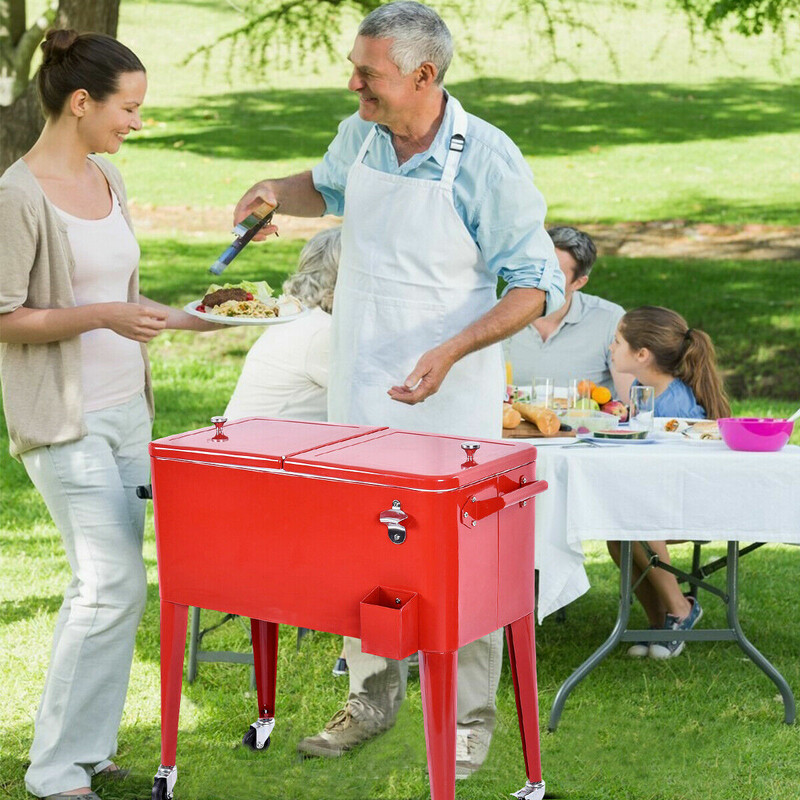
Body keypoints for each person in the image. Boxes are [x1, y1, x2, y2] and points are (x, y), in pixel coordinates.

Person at [232, 0, 565, 778]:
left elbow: (534, 286)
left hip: (451, 400)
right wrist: (275, 190)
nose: (354, 84)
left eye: (369, 74)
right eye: (356, 69)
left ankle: (470, 722)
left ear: (424, 74)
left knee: (463, 564)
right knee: (366, 556)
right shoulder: (364, 135)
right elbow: (326, 185)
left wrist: (452, 349)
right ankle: (372, 701)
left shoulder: (485, 158)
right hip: (361, 393)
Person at [0, 30, 219, 800]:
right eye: (129, 108)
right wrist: (100, 316)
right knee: (107, 583)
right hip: (64, 420)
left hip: (130, 412)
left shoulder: (107, 181)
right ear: (82, 102)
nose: (136, 122)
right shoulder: (17, 197)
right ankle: (54, 771)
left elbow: (125, 304)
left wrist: (207, 319)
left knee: (120, 584)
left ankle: (88, 749)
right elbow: (4, 317)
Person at [607, 306, 731, 659]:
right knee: (616, 536)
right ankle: (659, 621)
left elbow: (687, 469)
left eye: (617, 341)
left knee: (638, 526)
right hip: (659, 497)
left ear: (642, 354)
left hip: (692, 500)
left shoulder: (676, 405)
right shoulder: (642, 390)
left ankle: (682, 608)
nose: (611, 347)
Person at [225, 226, 340, 422]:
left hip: (251, 443)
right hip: (260, 448)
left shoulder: (302, 319)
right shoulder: (322, 332)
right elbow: (378, 396)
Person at [504, 225, 633, 400]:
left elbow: (631, 403)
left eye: (554, 273)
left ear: (578, 283)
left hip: (583, 427)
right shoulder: (499, 315)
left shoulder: (610, 320)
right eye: (537, 267)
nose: (540, 279)